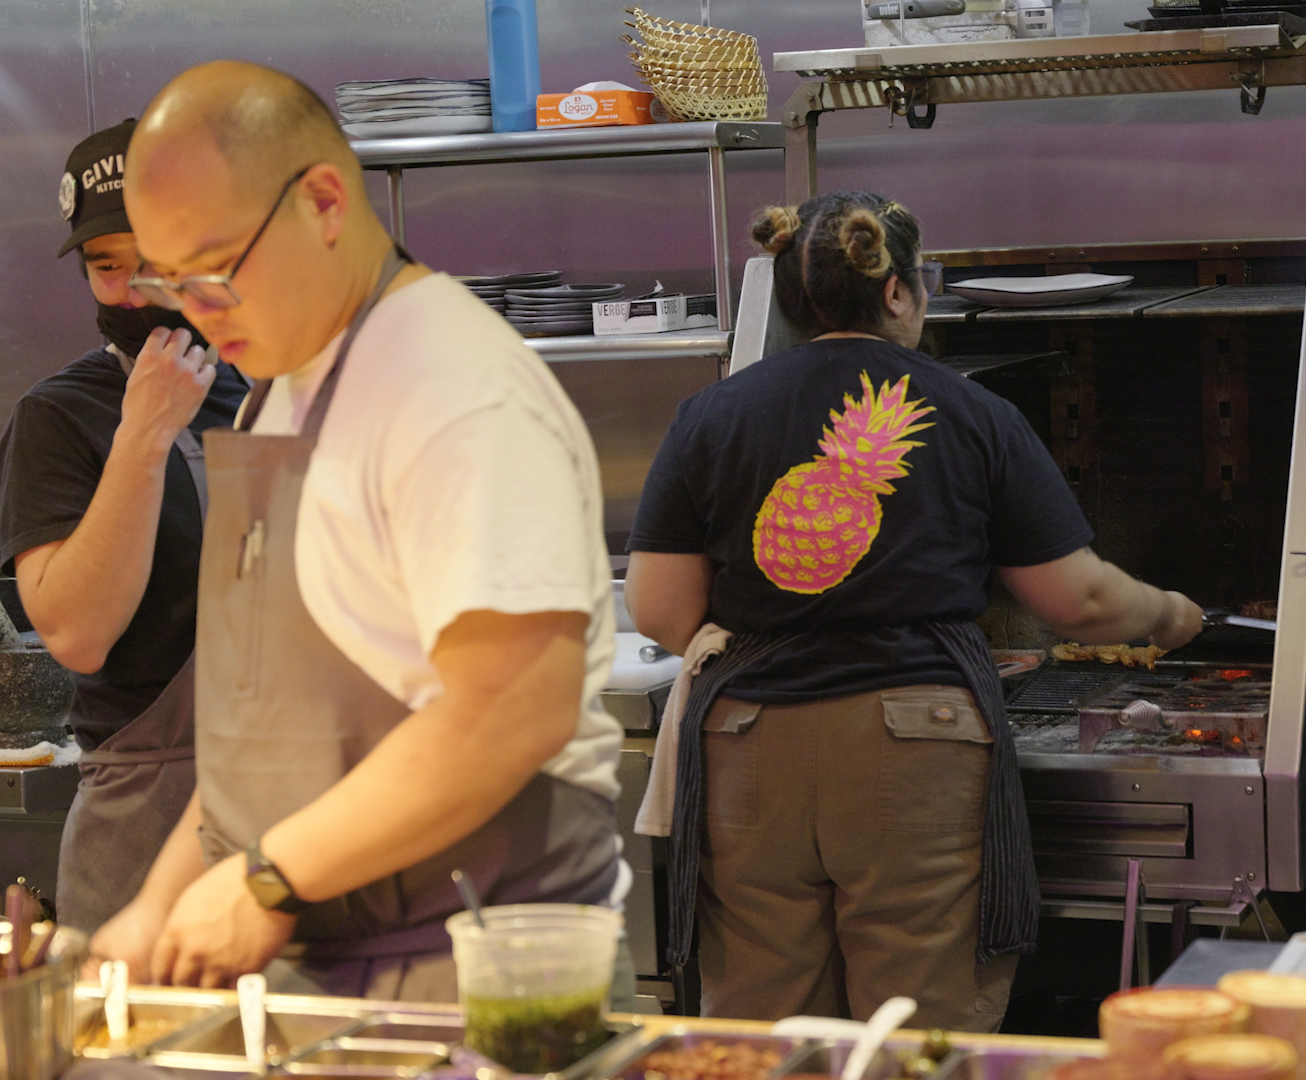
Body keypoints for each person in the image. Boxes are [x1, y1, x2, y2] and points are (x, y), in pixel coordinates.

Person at [87, 61, 625, 1001]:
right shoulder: (278, 391)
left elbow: (510, 709)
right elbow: (265, 725)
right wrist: (161, 904)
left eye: (216, 271)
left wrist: (269, 878)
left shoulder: (453, 389)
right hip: (325, 964)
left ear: (325, 203)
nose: (198, 313)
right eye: (171, 283)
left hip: (478, 970)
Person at [625, 191, 1204, 1030]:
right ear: (896, 290)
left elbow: (656, 606)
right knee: (916, 1028)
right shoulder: (970, 411)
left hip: (744, 746)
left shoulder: (710, 414)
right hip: (913, 747)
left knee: (767, 1028)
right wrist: (1169, 613)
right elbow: (1076, 600)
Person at [0, 120, 249, 933]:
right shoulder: (57, 415)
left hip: (288, 797)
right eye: (108, 266)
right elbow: (77, 636)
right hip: (144, 813)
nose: (134, 291)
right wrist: (144, 432)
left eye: (155, 261)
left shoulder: (271, 387)